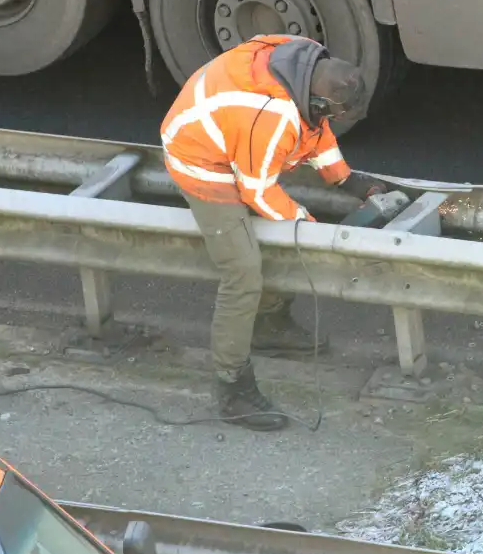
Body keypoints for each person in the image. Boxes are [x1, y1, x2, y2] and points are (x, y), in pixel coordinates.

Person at [159, 34, 387, 432]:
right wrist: (310, 228)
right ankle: (233, 390)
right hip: (199, 158)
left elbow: (314, 129)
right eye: (331, 113)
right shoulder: (271, 112)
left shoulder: (304, 63)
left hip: (233, 130)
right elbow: (259, 192)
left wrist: (345, 179)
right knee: (243, 270)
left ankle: (269, 325)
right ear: (316, 101)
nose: (330, 121)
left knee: (276, 235)